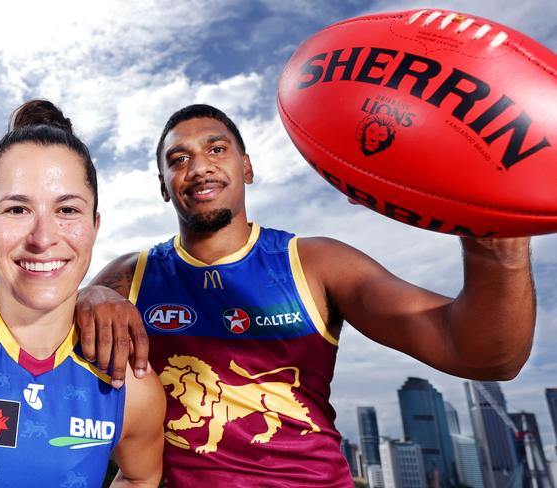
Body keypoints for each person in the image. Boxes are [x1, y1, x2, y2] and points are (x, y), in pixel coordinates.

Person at [76, 104, 535, 487]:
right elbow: (40, 349)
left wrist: (498, 244)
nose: (199, 167)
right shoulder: (128, 277)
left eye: (217, 149)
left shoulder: (314, 263)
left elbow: (483, 355)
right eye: (178, 159)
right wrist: (85, 298)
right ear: (162, 186)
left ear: (247, 167)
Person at [0, 100, 165, 487]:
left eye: (67, 210)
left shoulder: (131, 386)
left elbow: (140, 477)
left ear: (94, 226)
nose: (43, 238)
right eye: (16, 210)